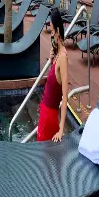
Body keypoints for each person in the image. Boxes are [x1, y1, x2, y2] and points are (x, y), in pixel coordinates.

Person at [38, 8, 70, 142]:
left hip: (50, 116)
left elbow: (64, 96)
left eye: (51, 31)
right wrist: (51, 60)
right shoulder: (57, 56)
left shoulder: (63, 57)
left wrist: (61, 129)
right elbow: (53, 83)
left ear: (57, 31)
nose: (51, 35)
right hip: (45, 113)